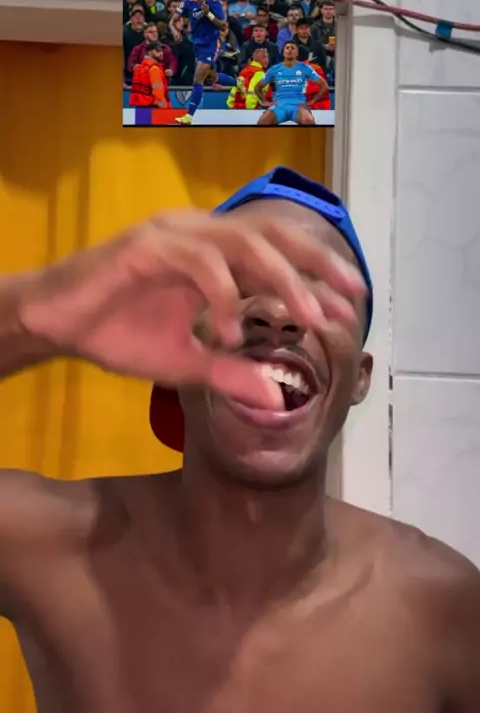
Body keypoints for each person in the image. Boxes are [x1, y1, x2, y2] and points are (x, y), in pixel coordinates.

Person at [0, 166, 479, 712]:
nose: (277, 313)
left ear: (359, 379)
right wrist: (39, 313)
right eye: (236, 286)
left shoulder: (442, 609)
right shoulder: (50, 547)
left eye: (322, 294)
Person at [169, 0, 227, 125]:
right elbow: (172, 21)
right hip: (197, 44)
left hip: (211, 44)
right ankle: (238, 82)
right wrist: (175, 31)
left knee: (198, 79)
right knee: (212, 77)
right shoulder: (187, 2)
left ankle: (189, 116)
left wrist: (209, 14)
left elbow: (222, 25)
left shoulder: (214, 3)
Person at [254, 41, 323, 126]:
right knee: (263, 122)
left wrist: (313, 101)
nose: (289, 49)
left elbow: (324, 86)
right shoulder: (274, 69)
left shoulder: (305, 68)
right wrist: (265, 101)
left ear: (297, 53)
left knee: (308, 120)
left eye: (293, 48)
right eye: (287, 48)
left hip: (298, 106)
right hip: (280, 106)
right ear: (283, 52)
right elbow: (257, 87)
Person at [129, 41, 171, 108]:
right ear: (150, 52)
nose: (161, 53)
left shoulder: (142, 67)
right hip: (153, 107)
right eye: (157, 51)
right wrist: (165, 108)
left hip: (141, 106)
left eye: (161, 51)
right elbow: (158, 93)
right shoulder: (154, 69)